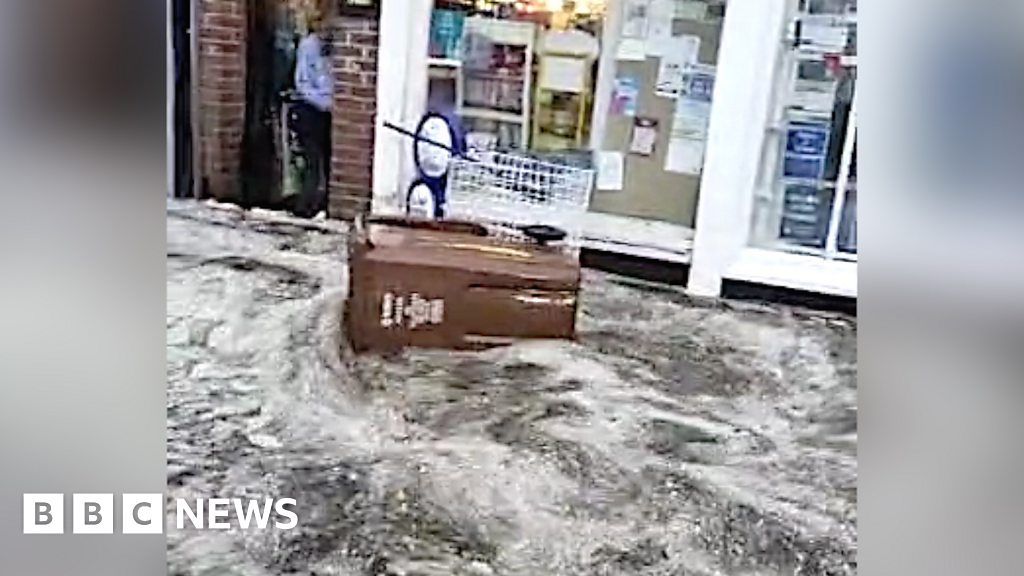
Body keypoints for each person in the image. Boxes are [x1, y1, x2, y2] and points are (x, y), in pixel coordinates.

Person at [292, 6, 333, 217]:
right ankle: (305, 206)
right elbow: (302, 82)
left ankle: (325, 204)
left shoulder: (336, 48)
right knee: (312, 161)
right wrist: (324, 102)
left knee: (329, 161)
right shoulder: (308, 46)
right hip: (312, 110)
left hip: (331, 113)